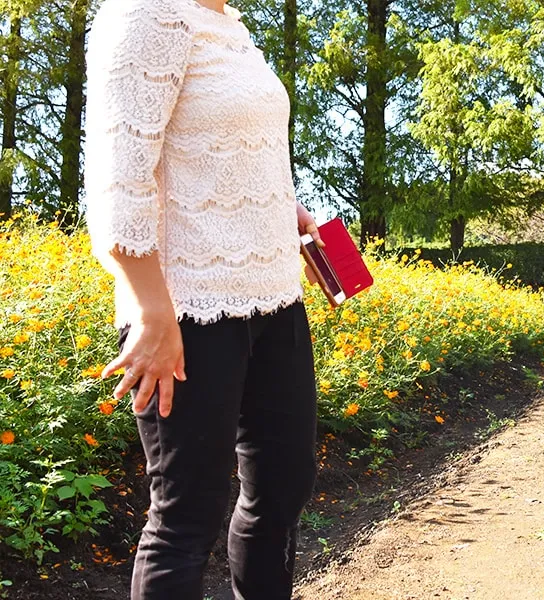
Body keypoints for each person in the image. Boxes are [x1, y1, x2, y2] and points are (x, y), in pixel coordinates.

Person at [83, 0, 320, 597]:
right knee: (185, 518)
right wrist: (151, 311)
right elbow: (119, 179)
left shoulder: (229, 23)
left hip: (274, 298)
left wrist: (280, 211)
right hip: (186, 309)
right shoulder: (142, 14)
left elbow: (223, 146)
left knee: (282, 490)